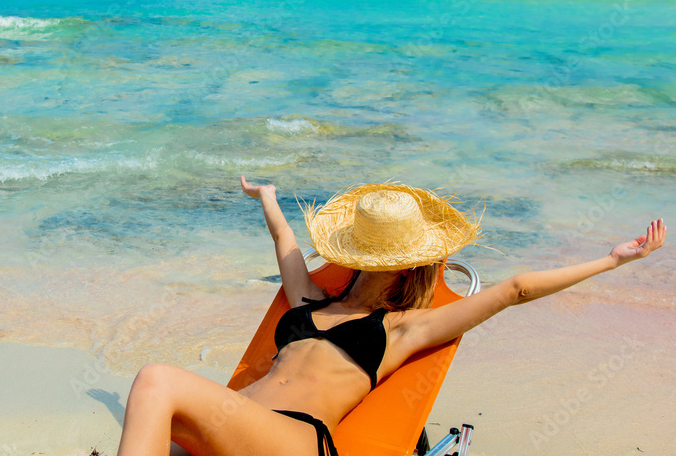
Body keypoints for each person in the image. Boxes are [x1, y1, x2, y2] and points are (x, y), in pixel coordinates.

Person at [115, 176, 667, 456]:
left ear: (404, 269)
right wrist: (267, 195)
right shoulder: (311, 300)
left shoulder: (400, 330)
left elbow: (514, 289)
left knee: (156, 379)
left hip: (294, 444)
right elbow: (284, 240)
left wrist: (615, 260)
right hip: (239, 429)